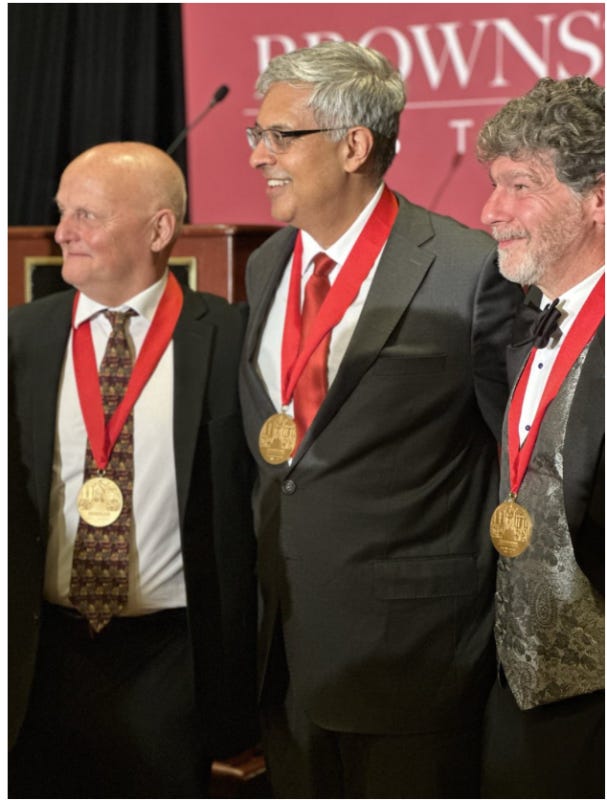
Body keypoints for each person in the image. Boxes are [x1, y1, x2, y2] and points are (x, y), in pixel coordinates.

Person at [238, 40, 522, 798]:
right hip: (286, 655)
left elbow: (514, 457)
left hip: (414, 663)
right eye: (256, 134)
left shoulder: (470, 268)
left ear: (354, 146)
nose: (259, 155)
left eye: (280, 136)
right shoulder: (265, 265)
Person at [8, 141, 258, 798]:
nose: (62, 232)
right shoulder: (19, 339)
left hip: (171, 661)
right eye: (62, 212)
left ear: (158, 229)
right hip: (39, 655)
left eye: (86, 215)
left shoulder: (231, 339)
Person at [476, 76, 604, 799]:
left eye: (520, 186)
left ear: (597, 199)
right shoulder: (528, 321)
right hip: (517, 693)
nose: (490, 211)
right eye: (494, 185)